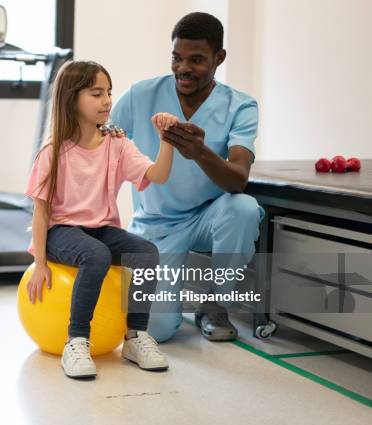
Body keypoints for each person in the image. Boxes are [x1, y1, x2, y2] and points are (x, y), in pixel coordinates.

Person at [110, 12, 265, 343]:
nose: (183, 68)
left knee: (243, 208)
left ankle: (213, 304)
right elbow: (99, 144)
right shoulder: (141, 95)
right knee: (155, 332)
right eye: (177, 58)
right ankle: (170, 300)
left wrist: (200, 153)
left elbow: (237, 179)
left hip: (206, 219)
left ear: (218, 58)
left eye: (196, 60)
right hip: (155, 227)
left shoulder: (240, 106)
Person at [25, 60, 177, 379]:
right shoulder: (52, 151)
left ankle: (136, 336)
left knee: (146, 252)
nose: (107, 100)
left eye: (109, 92)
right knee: (96, 255)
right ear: (72, 98)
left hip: (101, 229)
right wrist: (40, 263)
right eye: (96, 93)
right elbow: (40, 212)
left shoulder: (117, 143)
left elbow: (158, 174)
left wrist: (167, 140)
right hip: (61, 231)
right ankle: (76, 341)